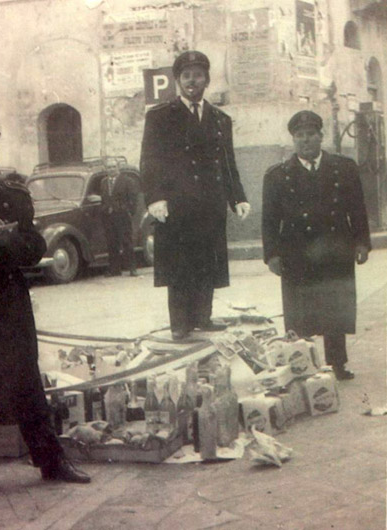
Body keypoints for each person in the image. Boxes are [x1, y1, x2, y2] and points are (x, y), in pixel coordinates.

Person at [0, 123, 90, 492]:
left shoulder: (13, 195)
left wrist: (9, 239)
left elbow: (35, 248)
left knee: (26, 381)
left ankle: (50, 462)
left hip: (9, 304)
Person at [140, 51, 251, 341]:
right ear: (178, 81)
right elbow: (149, 162)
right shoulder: (160, 116)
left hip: (210, 204)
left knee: (207, 261)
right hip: (176, 205)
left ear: (207, 80)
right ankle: (180, 322)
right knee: (179, 265)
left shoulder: (219, 119)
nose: (192, 81)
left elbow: (228, 163)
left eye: (198, 75)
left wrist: (237, 198)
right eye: (186, 76)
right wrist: (155, 198)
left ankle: (203, 316)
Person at [262, 110, 371, 380]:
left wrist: (362, 243)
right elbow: (269, 219)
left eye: (311, 134)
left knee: (336, 308)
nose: (305, 140)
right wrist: (272, 254)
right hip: (297, 251)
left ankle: (338, 363)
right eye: (299, 136)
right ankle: (303, 365)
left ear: (321, 137)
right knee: (300, 312)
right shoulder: (278, 175)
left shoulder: (343, 168)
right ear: (293, 139)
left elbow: (357, 209)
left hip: (336, 248)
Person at [100, 158, 138, 277]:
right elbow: (104, 198)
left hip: (122, 215)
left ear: (118, 168)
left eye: (113, 167)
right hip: (109, 217)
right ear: (106, 169)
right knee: (112, 242)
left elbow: (133, 199)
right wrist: (105, 209)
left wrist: (129, 212)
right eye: (109, 167)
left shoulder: (127, 181)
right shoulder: (104, 182)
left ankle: (132, 268)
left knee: (126, 241)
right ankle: (114, 270)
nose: (111, 169)